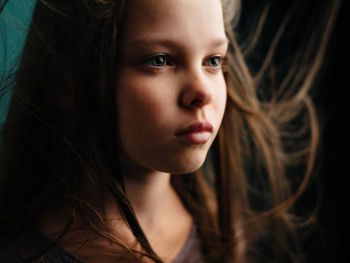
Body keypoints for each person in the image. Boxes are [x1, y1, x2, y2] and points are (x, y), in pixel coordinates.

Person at [0, 0, 340, 262]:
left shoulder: (215, 223)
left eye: (213, 60)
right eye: (160, 60)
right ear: (68, 83)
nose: (202, 91)